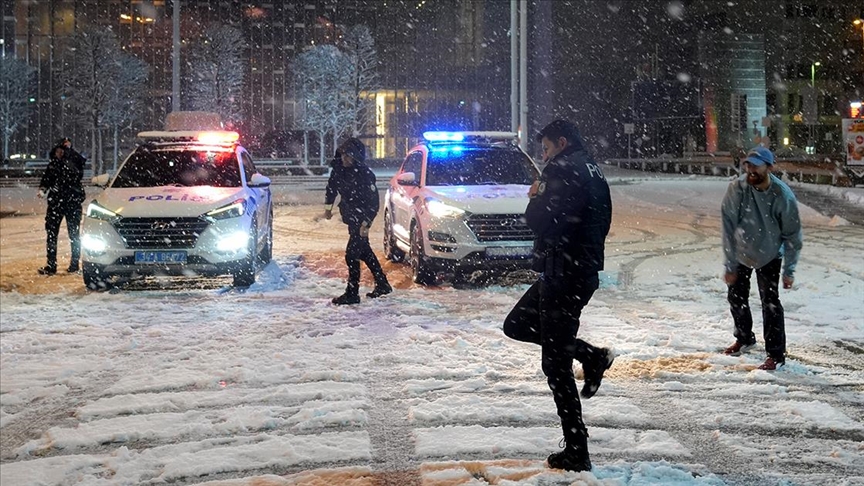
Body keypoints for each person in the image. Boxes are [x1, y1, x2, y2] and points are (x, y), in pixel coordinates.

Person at [503, 119, 614, 472]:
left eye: (547, 148)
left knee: (555, 365)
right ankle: (590, 355)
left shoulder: (562, 170)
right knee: (517, 324)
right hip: (576, 270)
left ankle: (577, 451)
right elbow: (600, 218)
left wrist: (535, 195)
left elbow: (538, 220)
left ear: (561, 143)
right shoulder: (592, 169)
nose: (544, 155)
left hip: (563, 274)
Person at [721, 146, 802, 371]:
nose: (751, 169)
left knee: (770, 302)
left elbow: (793, 235)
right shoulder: (737, 189)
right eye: (748, 164)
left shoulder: (781, 195)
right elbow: (728, 227)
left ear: (769, 167)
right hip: (741, 251)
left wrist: (789, 271)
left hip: (769, 253)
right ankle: (744, 337)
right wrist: (730, 263)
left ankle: (776, 354)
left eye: (756, 165)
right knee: (736, 297)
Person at [323, 138, 392, 305]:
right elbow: (331, 188)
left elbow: (373, 202)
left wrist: (366, 223)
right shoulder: (339, 169)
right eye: (344, 156)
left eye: (349, 156)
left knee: (351, 254)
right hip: (351, 216)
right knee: (364, 251)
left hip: (361, 219)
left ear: (356, 158)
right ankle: (382, 284)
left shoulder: (365, 174)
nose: (345, 159)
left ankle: (352, 293)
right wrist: (328, 208)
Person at [37, 138, 86, 275]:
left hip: (69, 202)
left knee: (73, 234)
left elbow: (76, 172)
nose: (58, 153)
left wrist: (69, 153)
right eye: (58, 151)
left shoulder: (72, 162)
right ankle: (52, 264)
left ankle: (73, 264)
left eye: (61, 151)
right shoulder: (54, 164)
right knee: (53, 233)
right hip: (59, 203)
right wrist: (43, 188)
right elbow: (47, 178)